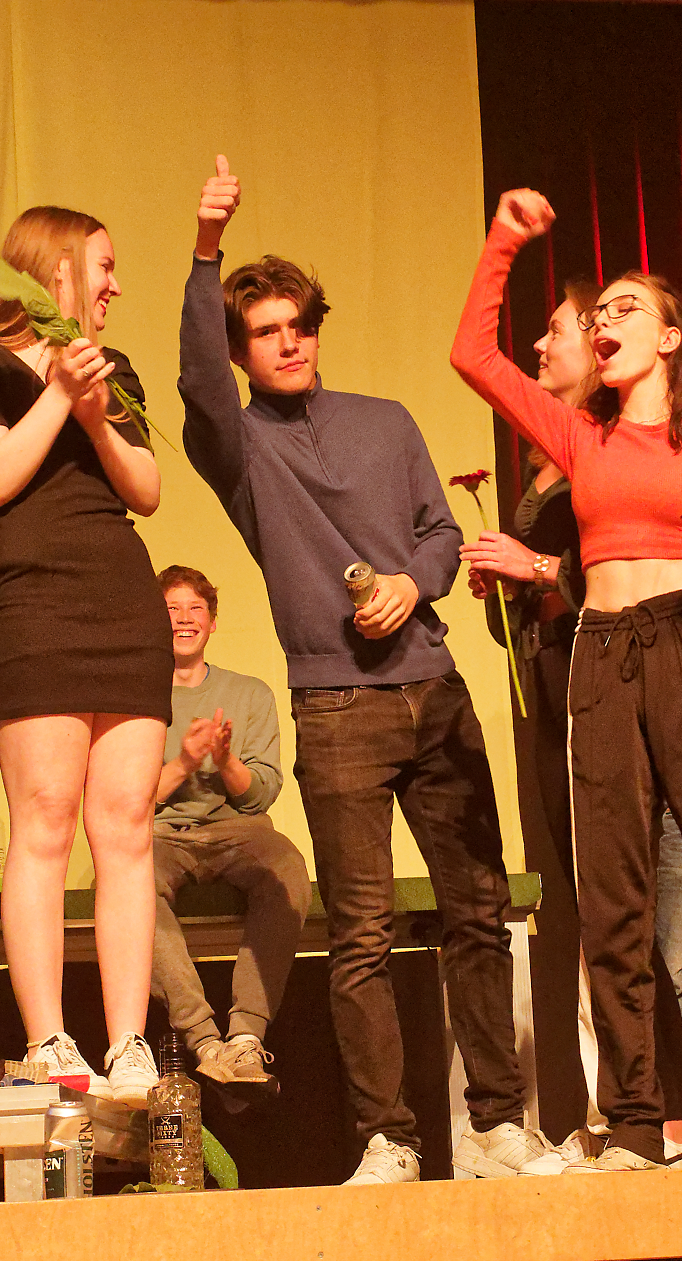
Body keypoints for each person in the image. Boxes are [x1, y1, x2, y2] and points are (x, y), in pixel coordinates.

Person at [176, 159, 542, 1187]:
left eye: (300, 325)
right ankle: (390, 1137)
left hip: (436, 689)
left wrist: (412, 583)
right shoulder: (239, 446)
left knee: (476, 913)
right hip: (335, 707)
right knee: (362, 936)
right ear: (242, 350)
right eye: (265, 332)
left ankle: (500, 1126)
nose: (289, 342)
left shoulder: (386, 419)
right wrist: (206, 249)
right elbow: (195, 378)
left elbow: (439, 532)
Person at [453, 188, 682, 1172]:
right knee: (610, 901)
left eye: (624, 308)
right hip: (601, 653)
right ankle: (635, 1123)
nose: (603, 321)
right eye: (595, 311)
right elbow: (473, 356)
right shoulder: (581, 435)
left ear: (670, 335)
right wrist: (504, 241)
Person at [462, 282, 682, 1169]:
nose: (545, 345)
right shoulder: (554, 461)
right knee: (595, 909)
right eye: (581, 323)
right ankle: (622, 1114)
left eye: (558, 330)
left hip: (628, 681)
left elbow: (630, 566)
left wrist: (536, 567)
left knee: (655, 913)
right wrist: (510, 587)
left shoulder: (616, 453)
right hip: (563, 687)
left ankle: (672, 1119)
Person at [0, 206, 168, 1106]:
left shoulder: (114, 366)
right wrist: (60, 393)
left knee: (127, 825)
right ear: (58, 269)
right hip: (34, 603)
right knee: (45, 818)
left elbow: (146, 488)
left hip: (122, 600)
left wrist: (100, 415)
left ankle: (131, 1040)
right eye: (104, 267)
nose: (115, 285)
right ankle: (49, 1040)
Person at [150, 564, 309, 1099]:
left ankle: (245, 1039)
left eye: (195, 608)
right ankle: (204, 1041)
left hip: (237, 831)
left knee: (285, 866)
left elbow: (259, 795)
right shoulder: (135, 696)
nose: (184, 618)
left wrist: (224, 759)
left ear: (212, 622)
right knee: (127, 880)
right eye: (171, 609)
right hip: (161, 836)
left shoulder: (249, 693)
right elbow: (128, 800)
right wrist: (185, 761)